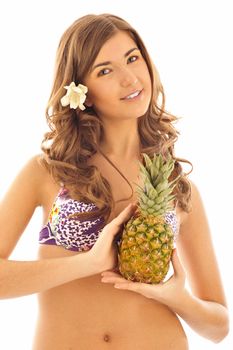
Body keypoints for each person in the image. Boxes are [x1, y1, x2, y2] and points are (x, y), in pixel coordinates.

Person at [0, 13, 229, 350]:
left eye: (133, 58)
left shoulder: (177, 188)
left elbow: (219, 327)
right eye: (105, 70)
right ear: (82, 92)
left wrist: (179, 297)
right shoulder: (49, 171)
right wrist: (87, 263)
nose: (130, 78)